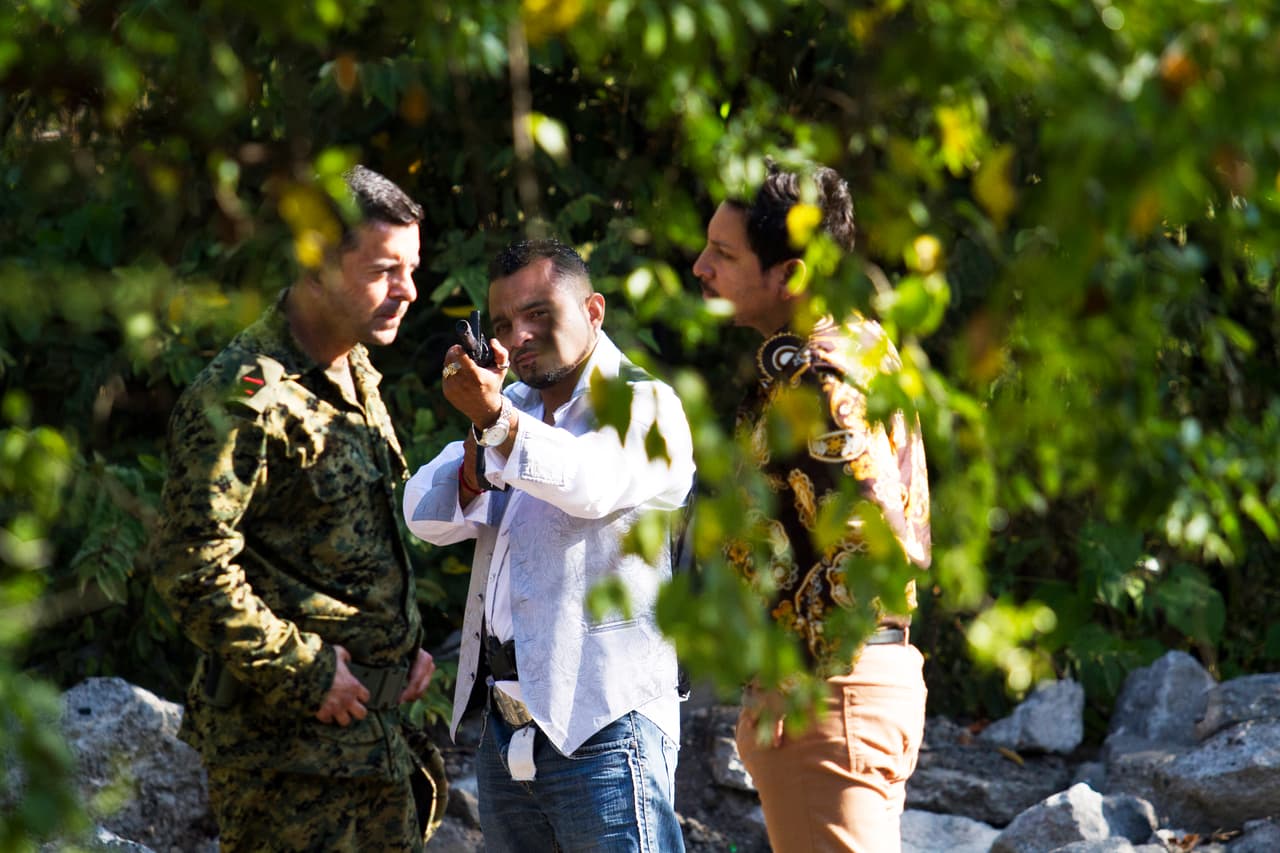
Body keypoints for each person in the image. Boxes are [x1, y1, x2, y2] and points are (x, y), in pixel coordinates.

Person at [152, 165, 441, 851]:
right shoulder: (242, 397)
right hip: (287, 767)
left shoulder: (354, 367)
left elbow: (333, 544)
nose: (408, 292)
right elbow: (189, 566)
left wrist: (399, 643)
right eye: (383, 270)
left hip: (375, 747)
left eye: (412, 268)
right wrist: (304, 670)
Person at [402, 238, 694, 852]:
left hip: (609, 727)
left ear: (594, 311)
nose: (519, 336)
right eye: (504, 323)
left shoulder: (645, 403)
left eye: (539, 314)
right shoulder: (510, 406)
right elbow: (420, 512)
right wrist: (483, 451)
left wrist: (498, 429)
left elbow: (589, 482)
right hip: (504, 732)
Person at [692, 161, 932, 853]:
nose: (702, 266)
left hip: (831, 694)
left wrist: (793, 669)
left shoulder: (817, 378)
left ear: (790, 275)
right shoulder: (855, 343)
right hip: (847, 691)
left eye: (724, 254)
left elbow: (877, 541)